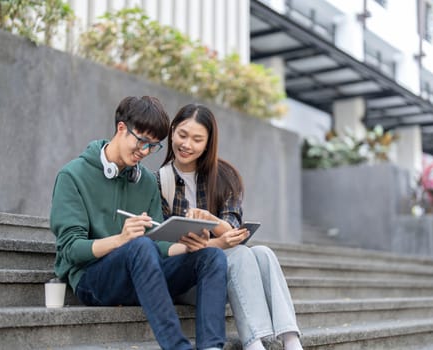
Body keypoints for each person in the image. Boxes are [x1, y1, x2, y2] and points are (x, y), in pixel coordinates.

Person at [49, 96, 228, 350]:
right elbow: (70, 250)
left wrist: (190, 247)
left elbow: (160, 245)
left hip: (142, 273)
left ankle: (211, 347)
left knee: (211, 256)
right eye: (141, 141)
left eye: (152, 146)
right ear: (121, 128)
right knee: (140, 246)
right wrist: (121, 240)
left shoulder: (145, 181)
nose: (144, 152)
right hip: (94, 281)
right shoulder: (73, 176)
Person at [156, 103, 303, 350]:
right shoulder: (160, 181)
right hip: (188, 278)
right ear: (172, 131)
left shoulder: (224, 176)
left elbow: (234, 230)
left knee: (263, 253)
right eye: (182, 135)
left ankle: (291, 340)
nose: (187, 145)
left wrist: (210, 221)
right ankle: (254, 343)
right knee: (238, 254)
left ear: (208, 142)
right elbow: (169, 246)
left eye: (197, 139)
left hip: (227, 274)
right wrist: (218, 243)